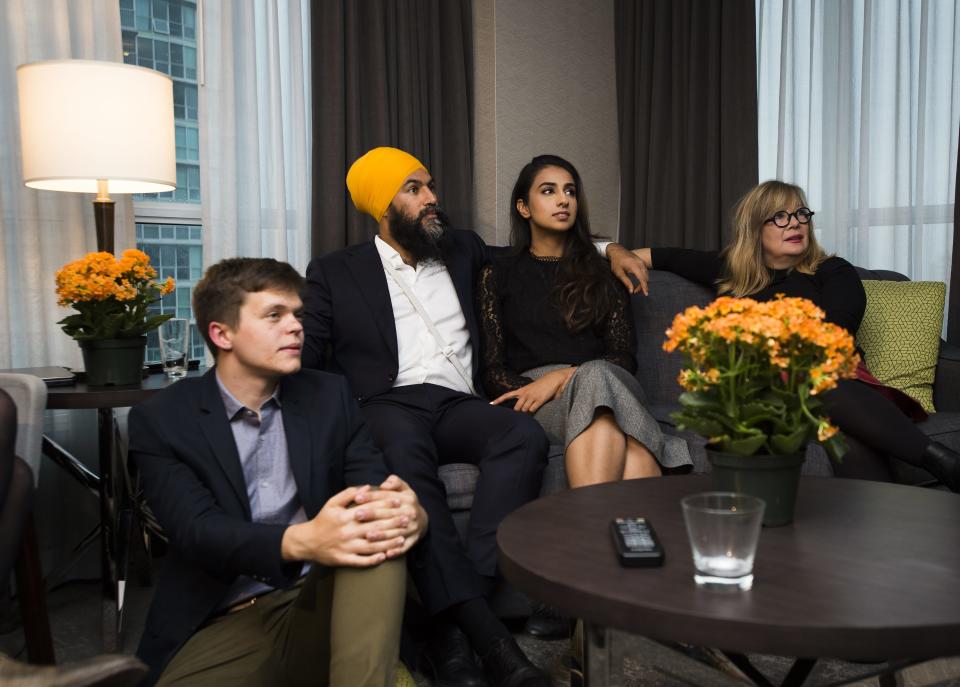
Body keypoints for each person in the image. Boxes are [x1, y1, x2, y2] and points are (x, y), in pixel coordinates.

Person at [304, 146, 572, 687]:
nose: (431, 198)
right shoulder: (336, 271)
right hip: (385, 403)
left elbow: (535, 256)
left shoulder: (462, 249)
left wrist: (614, 249)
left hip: (457, 402)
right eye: (414, 189)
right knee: (402, 456)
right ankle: (492, 640)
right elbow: (309, 357)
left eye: (429, 185)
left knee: (521, 436)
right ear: (384, 205)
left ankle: (450, 629)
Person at [129, 257, 427, 686]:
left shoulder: (329, 394)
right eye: (274, 315)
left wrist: (410, 514)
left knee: (374, 535)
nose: (295, 327)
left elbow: (374, 489)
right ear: (221, 333)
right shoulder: (162, 418)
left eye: (296, 314)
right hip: (225, 617)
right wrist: (304, 540)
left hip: (322, 597)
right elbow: (196, 531)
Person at [630, 179, 960, 491]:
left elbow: (834, 331)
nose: (795, 223)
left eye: (801, 213)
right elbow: (653, 255)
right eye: (780, 216)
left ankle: (917, 490)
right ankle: (940, 462)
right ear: (755, 228)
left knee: (835, 413)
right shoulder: (729, 270)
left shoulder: (832, 271)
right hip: (761, 391)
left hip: (833, 380)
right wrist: (612, 251)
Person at [478, 154, 692, 487]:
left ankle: (590, 533)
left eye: (570, 191)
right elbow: (492, 369)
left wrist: (567, 375)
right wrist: (545, 387)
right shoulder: (499, 272)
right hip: (541, 398)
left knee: (597, 378)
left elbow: (623, 356)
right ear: (523, 207)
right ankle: (635, 527)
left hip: (608, 379)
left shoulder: (604, 270)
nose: (564, 199)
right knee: (621, 438)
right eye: (548, 191)